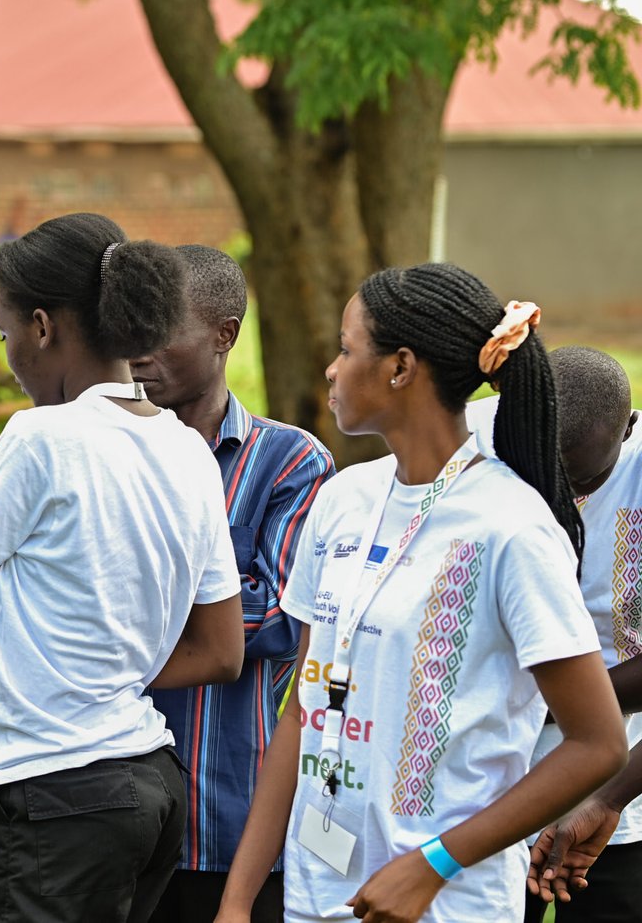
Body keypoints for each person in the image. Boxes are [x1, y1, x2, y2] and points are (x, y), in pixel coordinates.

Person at [217, 264, 629, 923]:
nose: (330, 369)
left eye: (347, 350)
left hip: (444, 905)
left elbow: (598, 743)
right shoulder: (342, 500)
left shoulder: (511, 528)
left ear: (401, 367)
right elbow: (305, 708)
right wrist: (237, 903)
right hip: (319, 894)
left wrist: (435, 862)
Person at [0, 212, 245, 922]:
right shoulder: (185, 449)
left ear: (43, 326)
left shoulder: (40, 436)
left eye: (5, 334)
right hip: (148, 782)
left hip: (51, 794)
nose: (10, 354)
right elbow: (220, 651)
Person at [123, 245, 334, 923]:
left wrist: (108, 607)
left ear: (225, 335)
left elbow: (276, 615)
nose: (138, 351)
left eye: (161, 329)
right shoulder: (101, 456)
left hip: (229, 817)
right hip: (112, 817)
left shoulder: (289, 460)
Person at [468, 347, 642, 922]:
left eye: (582, 477)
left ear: (630, 429)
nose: (557, 495)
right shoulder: (464, 442)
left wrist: (547, 704)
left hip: (616, 789)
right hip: (476, 777)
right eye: (539, 469)